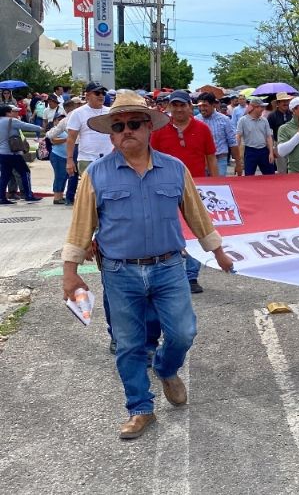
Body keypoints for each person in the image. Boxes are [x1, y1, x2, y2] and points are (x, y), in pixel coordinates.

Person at [61, 91, 234, 439]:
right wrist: (70, 272)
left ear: (148, 128)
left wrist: (217, 251)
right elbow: (81, 225)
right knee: (128, 344)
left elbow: (197, 215)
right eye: (119, 126)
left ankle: (167, 368)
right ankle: (140, 408)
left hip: (169, 268)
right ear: (111, 133)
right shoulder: (96, 174)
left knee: (183, 332)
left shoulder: (174, 169)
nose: (127, 130)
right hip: (119, 272)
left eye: (134, 124)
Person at [149, 90, 218, 294]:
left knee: (196, 230)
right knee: (168, 230)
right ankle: (171, 274)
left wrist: (215, 184)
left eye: (183, 105)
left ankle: (191, 276)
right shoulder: (159, 129)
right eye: (175, 105)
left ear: (190, 106)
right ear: (169, 107)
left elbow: (211, 157)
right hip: (164, 187)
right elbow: (151, 156)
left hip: (196, 187)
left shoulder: (202, 129)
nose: (179, 109)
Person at [66, 82, 112, 180]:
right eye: (97, 93)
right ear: (87, 95)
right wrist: (69, 160)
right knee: (90, 192)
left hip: (109, 159)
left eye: (103, 93)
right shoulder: (78, 113)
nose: (101, 96)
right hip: (87, 159)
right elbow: (71, 138)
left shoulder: (110, 112)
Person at [1, 104, 43, 204]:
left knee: (5, 175)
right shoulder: (11, 121)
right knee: (25, 172)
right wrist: (40, 128)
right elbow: (27, 126)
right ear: (7, 113)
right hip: (13, 153)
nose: (13, 113)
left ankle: (2, 197)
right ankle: (28, 194)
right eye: (11, 111)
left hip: (2, 153)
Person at [45, 99, 81, 204]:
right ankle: (59, 197)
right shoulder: (79, 116)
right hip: (75, 150)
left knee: (71, 175)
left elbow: (50, 134)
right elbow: (52, 137)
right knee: (63, 175)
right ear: (75, 105)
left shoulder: (65, 120)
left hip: (70, 151)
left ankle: (68, 198)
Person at [196, 92, 240, 176]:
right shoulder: (195, 120)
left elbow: (233, 143)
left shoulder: (224, 120)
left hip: (220, 160)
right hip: (201, 161)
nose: (202, 108)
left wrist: (238, 164)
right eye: (199, 106)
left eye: (205, 105)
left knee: (218, 186)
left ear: (213, 105)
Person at [236, 97, 276, 176]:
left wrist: (271, 153)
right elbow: (238, 136)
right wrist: (237, 156)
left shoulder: (264, 120)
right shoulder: (243, 120)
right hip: (250, 151)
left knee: (270, 175)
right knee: (249, 176)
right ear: (254, 107)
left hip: (264, 151)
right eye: (261, 107)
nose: (263, 109)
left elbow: (269, 137)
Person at [268, 93, 294, 173]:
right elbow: (269, 133)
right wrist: (272, 149)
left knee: (293, 168)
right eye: (283, 101)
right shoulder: (272, 116)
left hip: (292, 143)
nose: (285, 103)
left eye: (287, 101)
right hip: (279, 145)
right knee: (282, 169)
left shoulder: (292, 114)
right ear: (278, 103)